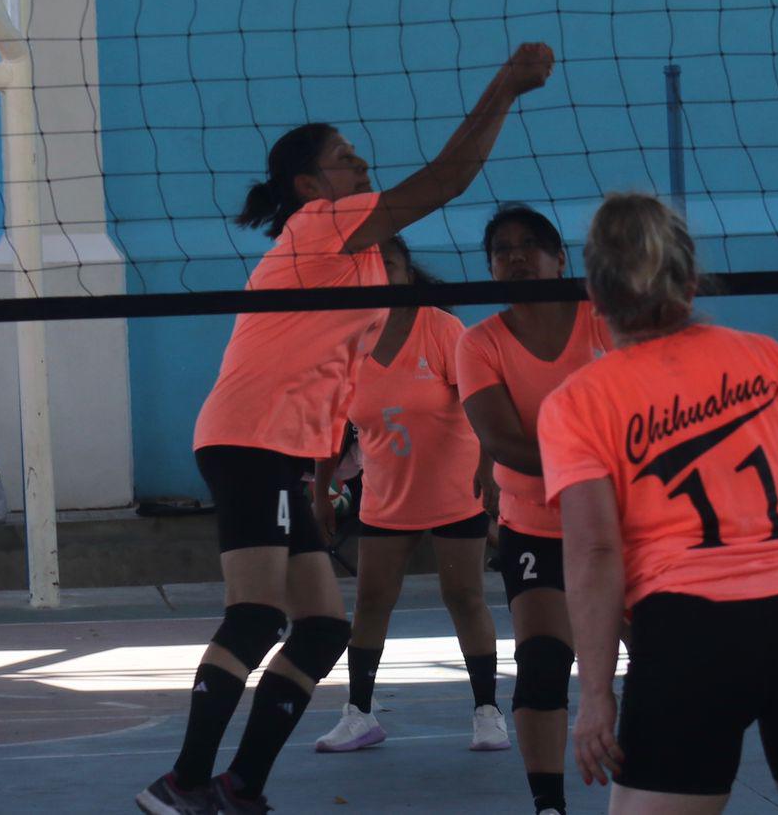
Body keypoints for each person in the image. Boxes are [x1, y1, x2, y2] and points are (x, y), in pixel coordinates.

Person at [135, 41, 554, 815]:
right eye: (345, 157)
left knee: (324, 627)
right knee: (258, 612)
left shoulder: (360, 267)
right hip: (250, 436)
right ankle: (182, 783)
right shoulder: (319, 225)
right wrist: (505, 87)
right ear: (307, 184)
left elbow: (336, 377)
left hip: (285, 448)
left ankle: (240, 787)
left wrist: (324, 476)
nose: (363, 166)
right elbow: (445, 180)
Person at [539, 192, 778, 813]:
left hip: (687, 633)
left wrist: (595, 694)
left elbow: (594, 550)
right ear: (693, 278)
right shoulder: (767, 357)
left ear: (593, 294)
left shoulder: (578, 400)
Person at [311, 236, 508, 755]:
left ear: (407, 271)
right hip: (386, 496)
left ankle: (488, 712)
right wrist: (321, 490)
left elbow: (482, 405)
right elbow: (332, 425)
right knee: (372, 601)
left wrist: (490, 473)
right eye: (369, 267)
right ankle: (359, 714)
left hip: (455, 492)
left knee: (463, 597)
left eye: (389, 264)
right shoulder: (347, 339)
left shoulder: (440, 328)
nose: (380, 273)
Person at [458, 204, 612, 815]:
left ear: (560, 259)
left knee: (664, 661)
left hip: (626, 526)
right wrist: (594, 472)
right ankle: (549, 804)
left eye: (529, 245)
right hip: (538, 525)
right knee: (544, 660)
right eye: (502, 249)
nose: (515, 256)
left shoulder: (606, 322)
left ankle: (660, 785)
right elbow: (504, 444)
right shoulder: (480, 343)